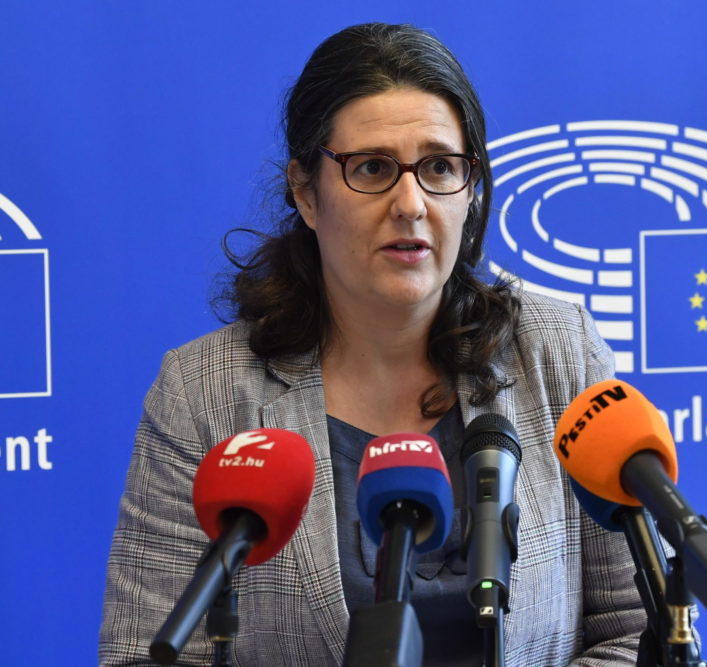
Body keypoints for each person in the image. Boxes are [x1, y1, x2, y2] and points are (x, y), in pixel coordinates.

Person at [99, 23, 646, 665]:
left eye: (439, 167)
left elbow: (638, 629)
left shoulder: (557, 352)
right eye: (373, 168)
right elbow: (143, 654)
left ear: (471, 189)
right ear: (306, 192)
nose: (411, 204)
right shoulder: (204, 393)